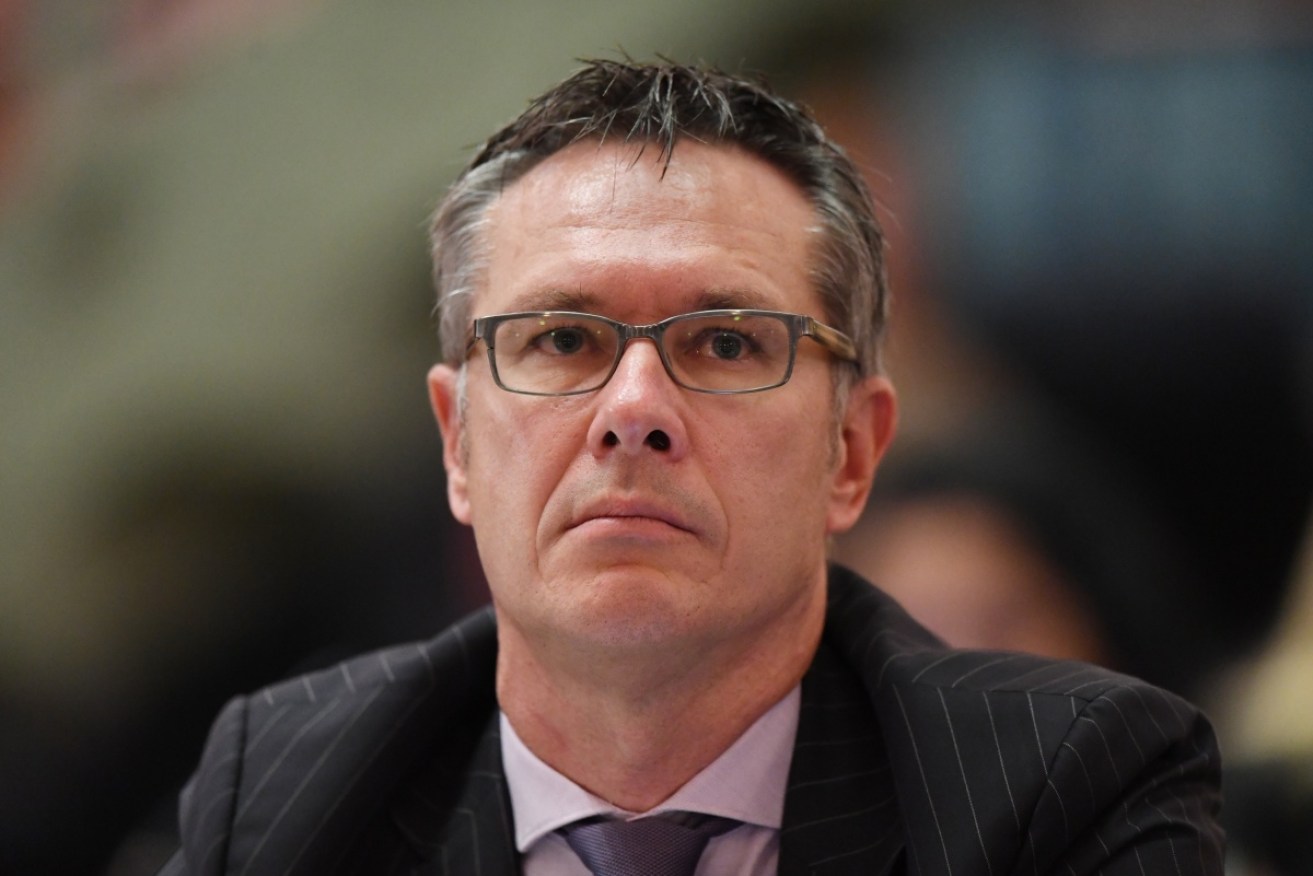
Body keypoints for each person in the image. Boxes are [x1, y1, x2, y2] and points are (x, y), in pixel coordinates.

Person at [160, 59, 1224, 876]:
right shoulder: (290, 787)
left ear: (848, 453)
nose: (632, 412)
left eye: (724, 344)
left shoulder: (1066, 785)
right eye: (562, 341)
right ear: (457, 443)